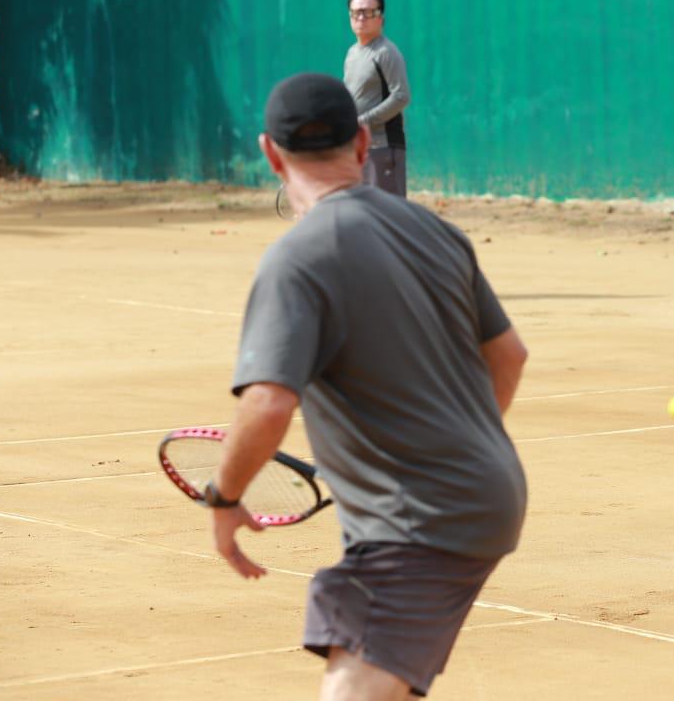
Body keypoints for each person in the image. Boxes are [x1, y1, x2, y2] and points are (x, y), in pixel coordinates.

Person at [206, 73, 528, 699]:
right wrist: (460, 447)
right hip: (487, 494)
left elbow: (268, 402)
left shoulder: (296, 258)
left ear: (270, 154)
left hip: (419, 519)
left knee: (353, 690)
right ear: (360, 143)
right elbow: (509, 357)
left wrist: (224, 498)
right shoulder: (435, 231)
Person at [343, 0, 411, 198]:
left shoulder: (386, 52)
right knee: (363, 216)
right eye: (356, 12)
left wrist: (362, 121)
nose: (361, 17)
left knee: (390, 217)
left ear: (380, 17)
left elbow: (401, 96)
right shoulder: (352, 53)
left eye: (368, 12)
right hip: (357, 148)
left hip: (383, 147)